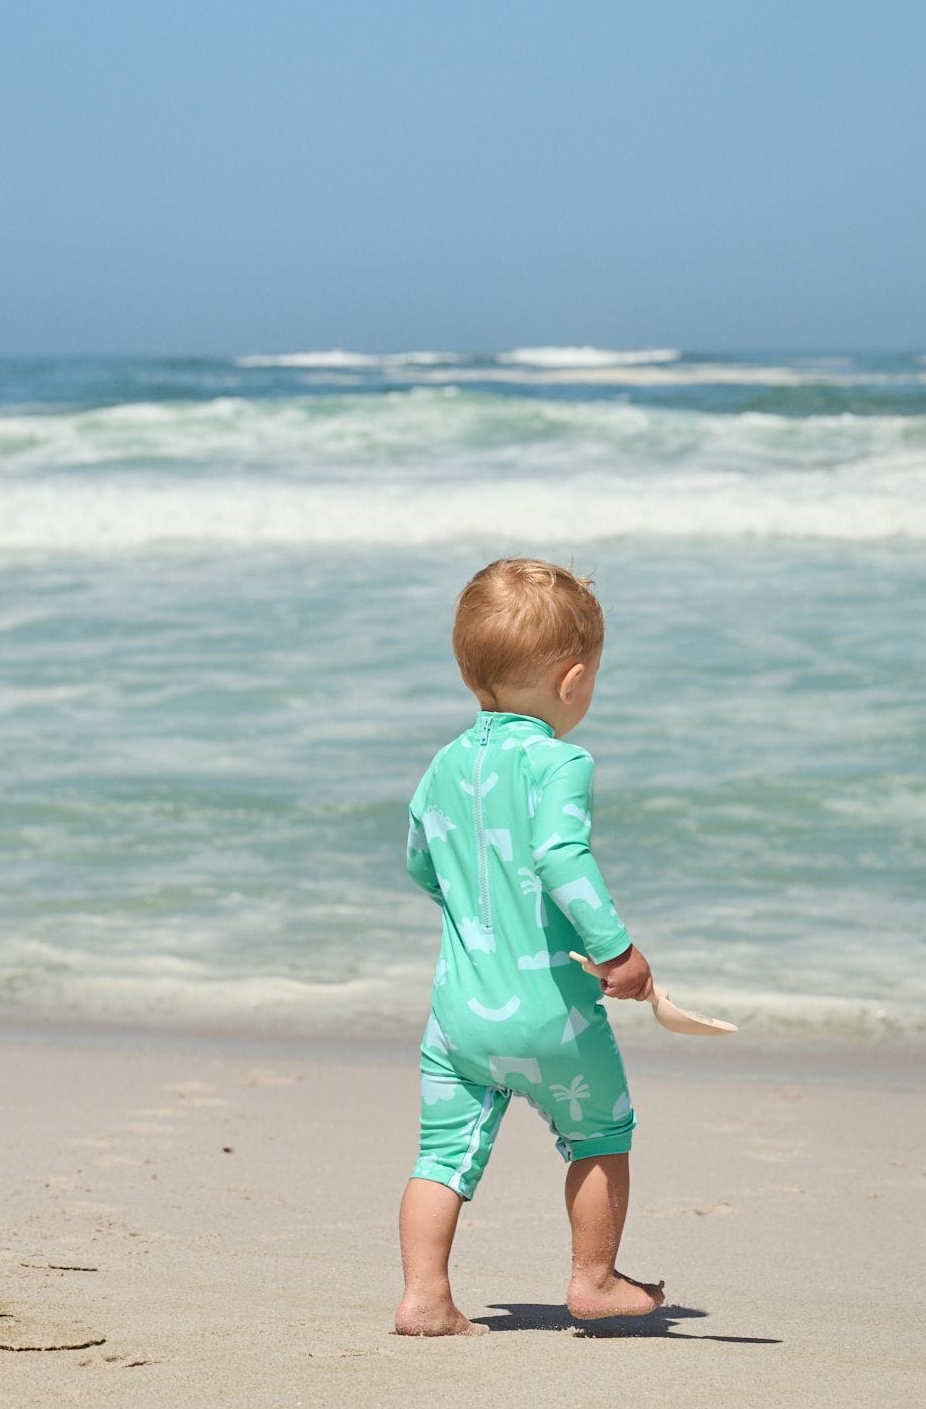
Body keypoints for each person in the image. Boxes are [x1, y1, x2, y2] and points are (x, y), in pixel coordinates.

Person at [395, 556, 665, 1337]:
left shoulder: (444, 764)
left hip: (459, 1017)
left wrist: (473, 909)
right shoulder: (561, 760)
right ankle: (595, 1279)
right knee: (601, 1134)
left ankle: (425, 1298)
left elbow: (420, 858)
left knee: (442, 1157)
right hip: (553, 1016)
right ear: (573, 681)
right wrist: (616, 952)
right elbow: (559, 857)